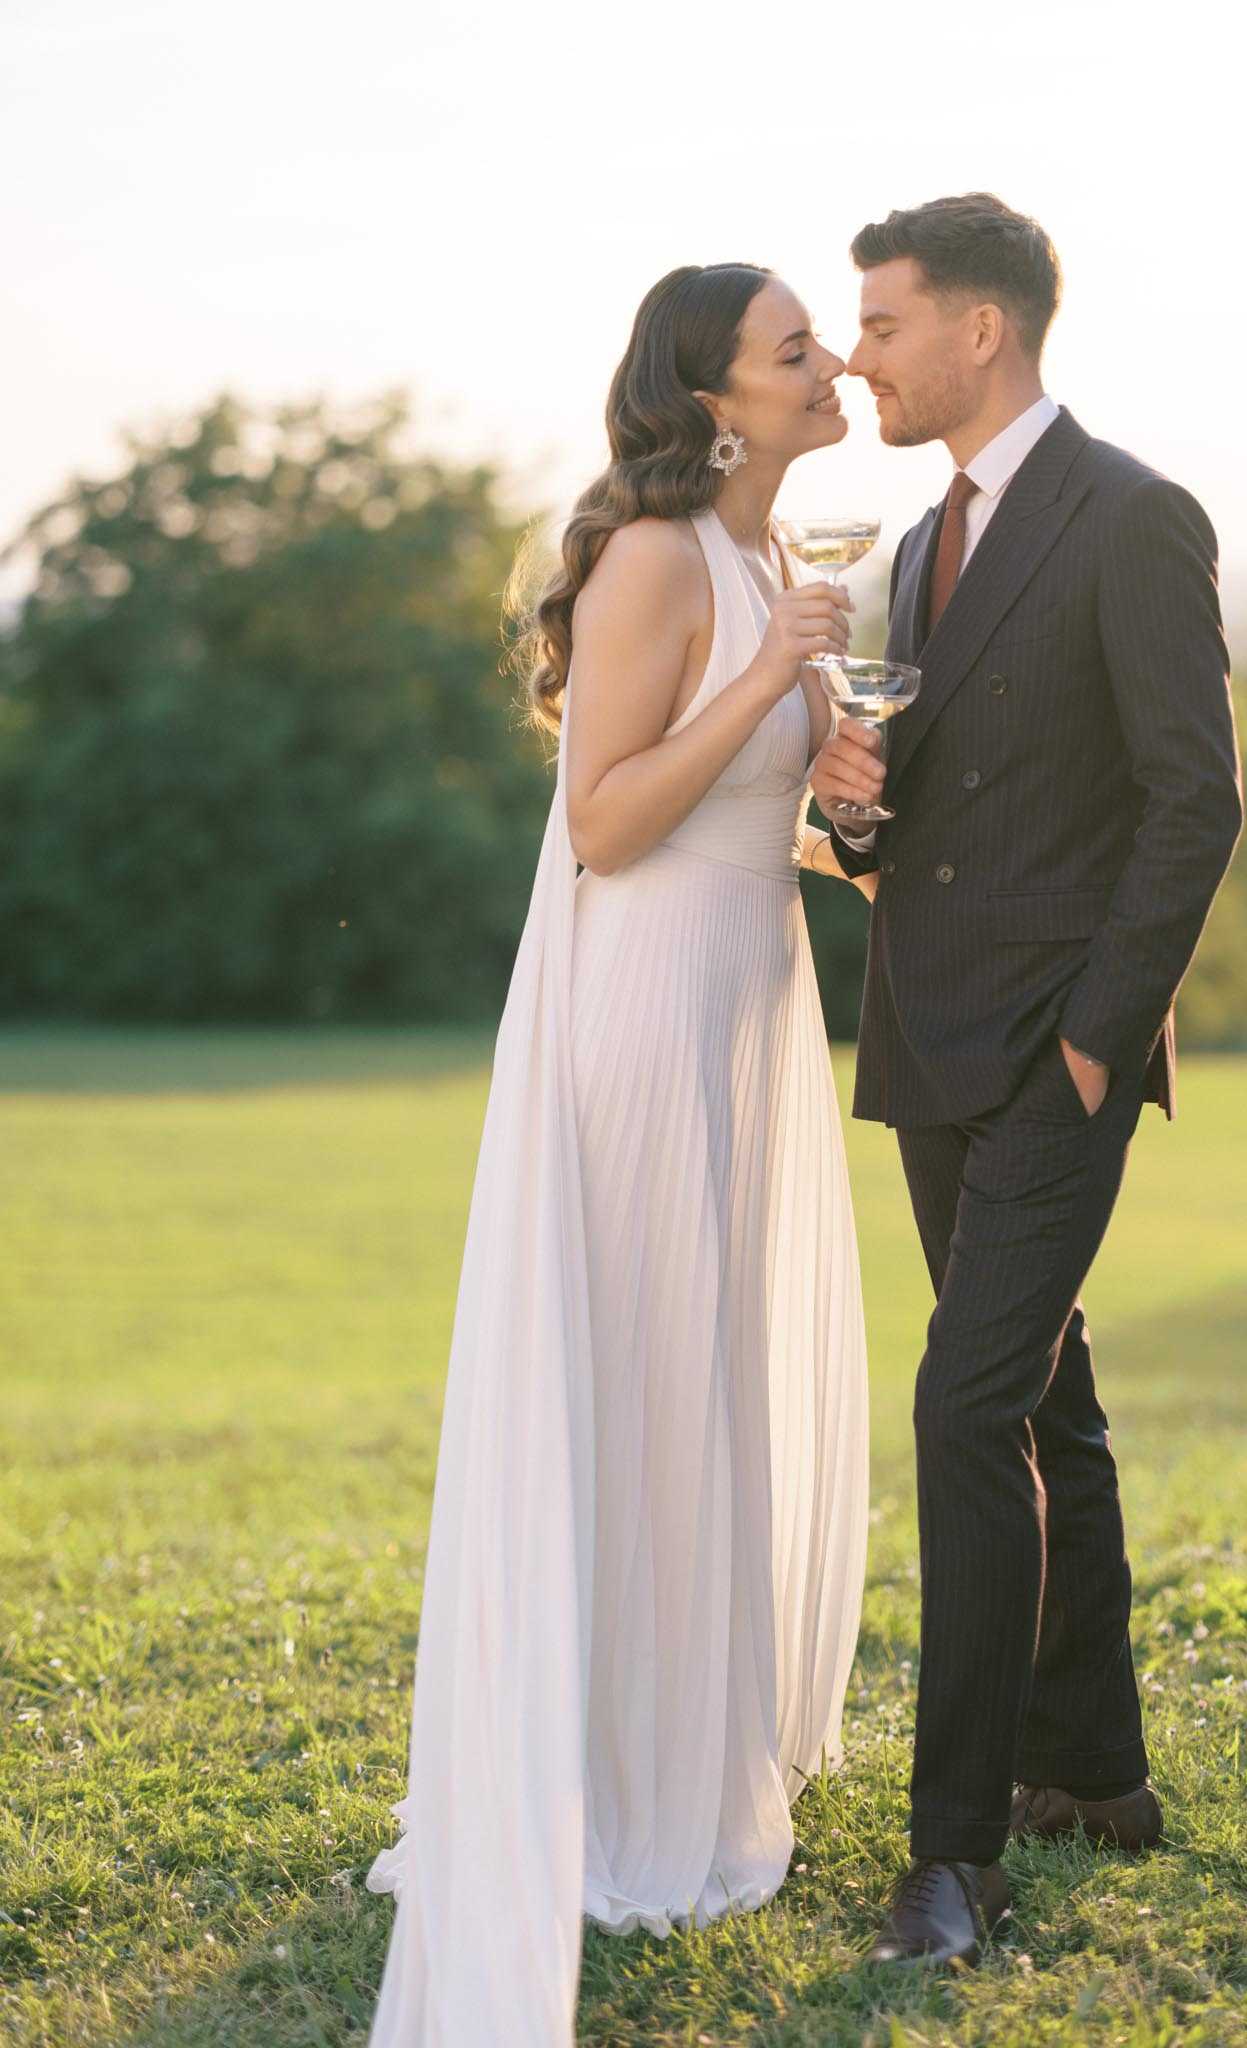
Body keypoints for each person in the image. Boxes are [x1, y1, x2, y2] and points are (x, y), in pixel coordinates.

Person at [364, 262, 874, 2047]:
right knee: (649, 1378)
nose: (833, 366)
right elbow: (602, 823)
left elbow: (737, 821)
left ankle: (690, 1742)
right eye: (797, 348)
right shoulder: (659, 558)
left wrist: (838, 808)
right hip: (649, 1018)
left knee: (716, 1375)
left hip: (752, 1003)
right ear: (715, 399)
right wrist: (773, 691)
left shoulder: (771, 566)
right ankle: (619, 1793)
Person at [813, 193, 1245, 1969]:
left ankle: (954, 1858)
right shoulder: (919, 546)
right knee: (1046, 1403)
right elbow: (926, 807)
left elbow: (1192, 798)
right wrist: (853, 813)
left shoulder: (1135, 517)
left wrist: (1096, 1037)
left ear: (980, 330)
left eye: (886, 324)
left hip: (1055, 1060)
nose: (861, 355)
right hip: (928, 1042)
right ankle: (1097, 1776)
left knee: (964, 1406)